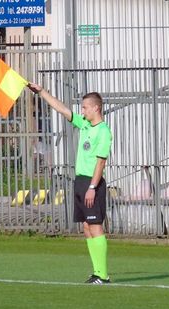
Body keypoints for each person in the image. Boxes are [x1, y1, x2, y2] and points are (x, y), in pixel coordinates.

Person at [27, 82, 112, 284]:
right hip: (81, 181)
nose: (82, 111)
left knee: (95, 226)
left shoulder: (103, 131)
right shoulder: (85, 124)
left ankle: (103, 275)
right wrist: (42, 92)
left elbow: (101, 162)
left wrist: (92, 187)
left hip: (92, 183)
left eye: (85, 107)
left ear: (96, 108)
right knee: (86, 227)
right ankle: (97, 272)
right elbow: (63, 110)